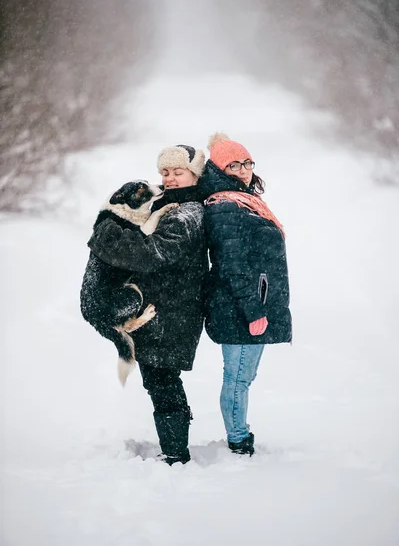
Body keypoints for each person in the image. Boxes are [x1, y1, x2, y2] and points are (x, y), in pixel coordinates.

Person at [86, 145, 207, 465]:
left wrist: (106, 233)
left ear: (195, 174)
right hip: (160, 309)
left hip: (172, 313)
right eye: (165, 172)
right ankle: (173, 450)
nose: (169, 178)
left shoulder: (188, 213)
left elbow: (152, 254)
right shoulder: (172, 204)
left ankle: (175, 455)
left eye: (178, 172)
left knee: (164, 383)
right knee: (159, 383)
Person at [199, 133, 292, 456]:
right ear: (219, 169)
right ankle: (238, 439)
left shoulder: (244, 200)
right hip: (237, 307)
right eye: (233, 165)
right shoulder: (225, 206)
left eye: (247, 163)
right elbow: (231, 265)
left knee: (242, 377)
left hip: (248, 304)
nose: (243, 169)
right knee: (237, 378)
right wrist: (253, 310)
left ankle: (239, 432)